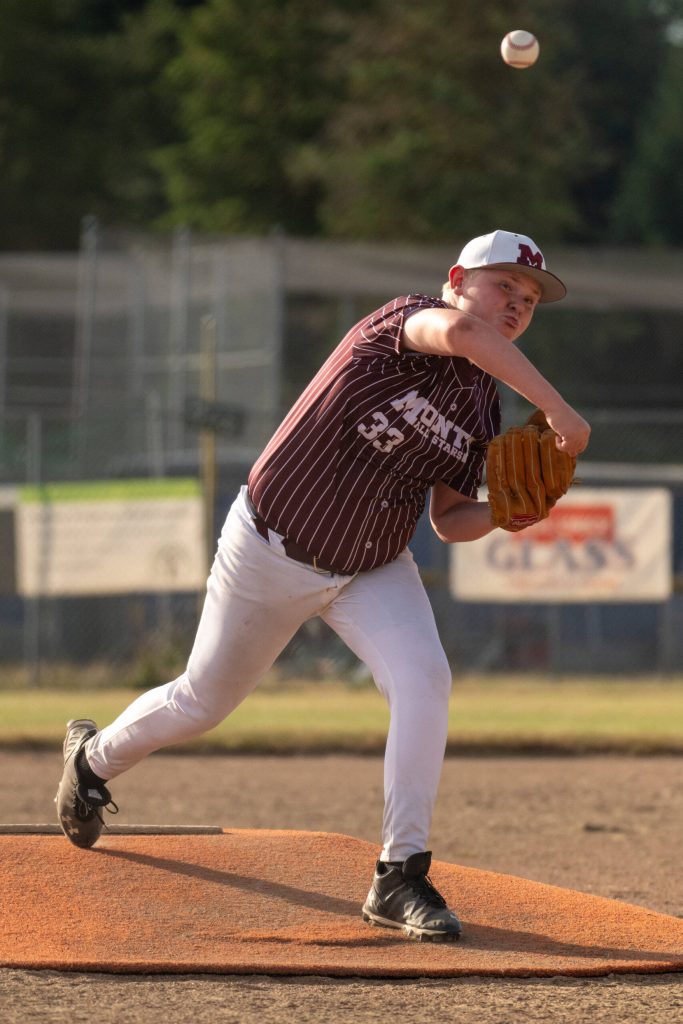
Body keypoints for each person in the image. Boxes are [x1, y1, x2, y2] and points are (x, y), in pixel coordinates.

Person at [56, 229, 590, 943]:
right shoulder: (400, 323)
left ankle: (399, 873)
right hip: (269, 549)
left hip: (371, 568)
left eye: (528, 299)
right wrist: (560, 410)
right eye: (503, 286)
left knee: (424, 681)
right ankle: (92, 762)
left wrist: (507, 509)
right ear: (457, 278)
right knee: (203, 701)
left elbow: (449, 522)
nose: (516, 305)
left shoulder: (481, 409)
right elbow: (461, 332)